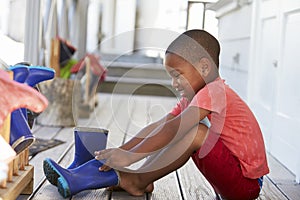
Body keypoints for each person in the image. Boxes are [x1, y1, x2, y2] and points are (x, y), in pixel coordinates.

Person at [44, 29, 269, 199]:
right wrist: (124, 150)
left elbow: (174, 129)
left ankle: (138, 180)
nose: (174, 83)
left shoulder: (214, 91)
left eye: (177, 74)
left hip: (245, 186)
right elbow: (163, 124)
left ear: (204, 68)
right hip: (234, 179)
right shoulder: (197, 96)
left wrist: (132, 156)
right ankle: (139, 178)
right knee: (183, 128)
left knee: (194, 132)